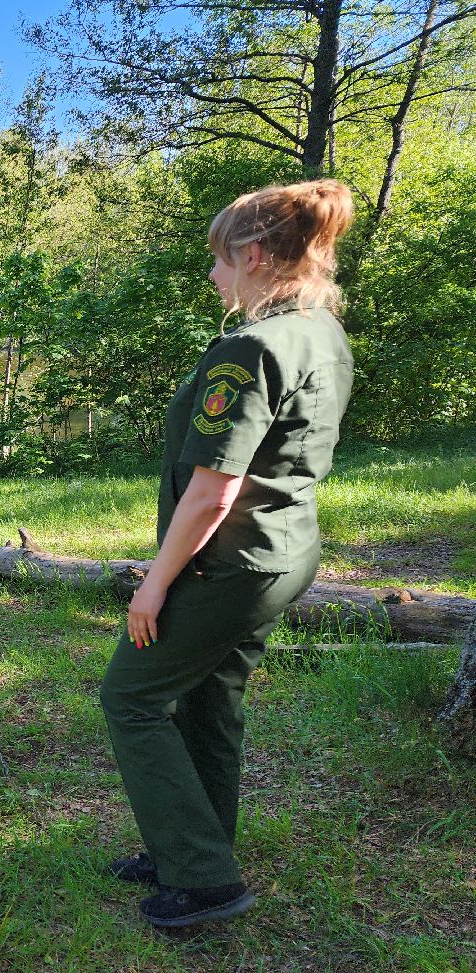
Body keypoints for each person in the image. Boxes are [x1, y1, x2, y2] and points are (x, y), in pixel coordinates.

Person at [101, 180, 356, 929]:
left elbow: (214, 493)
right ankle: (193, 848)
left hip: (229, 562)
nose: (213, 275)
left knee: (133, 698)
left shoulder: (251, 348)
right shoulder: (321, 332)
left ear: (251, 256)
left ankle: (205, 882)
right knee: (211, 699)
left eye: (218, 260)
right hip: (283, 555)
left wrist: (153, 586)